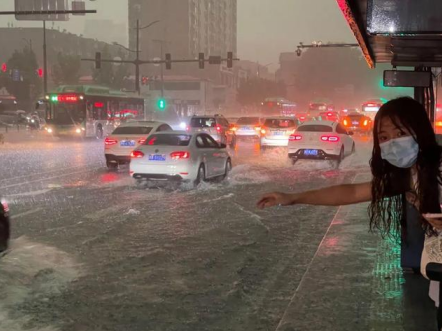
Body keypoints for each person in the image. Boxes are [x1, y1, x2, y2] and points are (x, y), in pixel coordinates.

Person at [257, 97, 442, 304]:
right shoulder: (408, 177)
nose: (393, 143)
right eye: (384, 137)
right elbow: (352, 192)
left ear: (420, 131)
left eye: (400, 134)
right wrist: (293, 198)